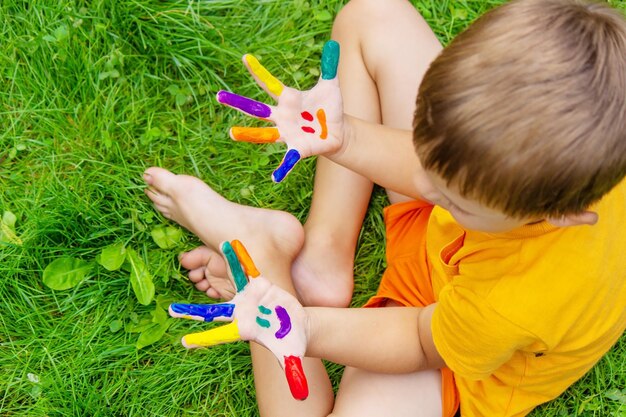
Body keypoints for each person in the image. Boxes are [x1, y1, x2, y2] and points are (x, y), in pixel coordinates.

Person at [143, 0, 626, 416]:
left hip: (446, 348)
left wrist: (304, 325)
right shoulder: (518, 175)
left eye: (451, 195)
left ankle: (263, 254)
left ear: (562, 211)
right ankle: (322, 258)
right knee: (373, 14)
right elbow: (430, 176)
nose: (426, 185)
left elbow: (418, 341)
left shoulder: (516, 303)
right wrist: (345, 137)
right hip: (448, 240)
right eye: (429, 160)